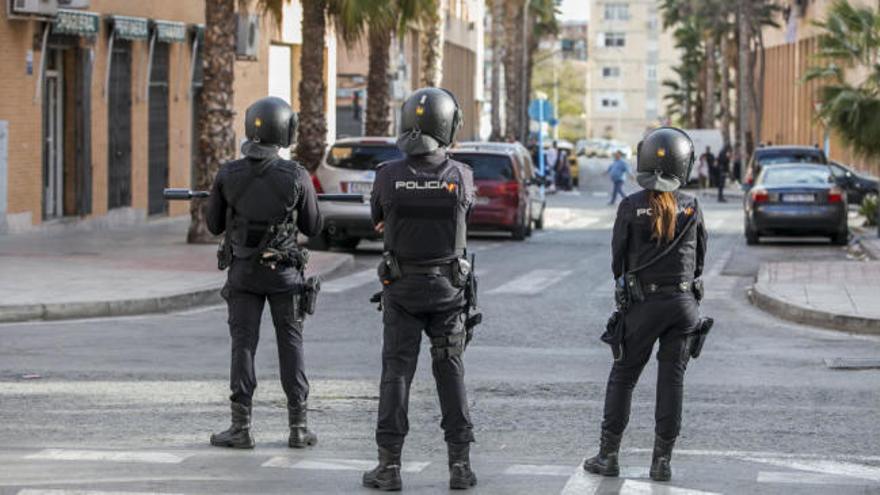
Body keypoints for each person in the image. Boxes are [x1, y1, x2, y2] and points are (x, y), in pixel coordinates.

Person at [364, 87, 478, 491]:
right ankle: (460, 466)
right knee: (451, 371)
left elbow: (376, 216)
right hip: (448, 289)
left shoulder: (387, 174)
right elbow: (467, 214)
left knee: (396, 373)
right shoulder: (461, 175)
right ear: (447, 126)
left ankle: (389, 467)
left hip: (403, 287)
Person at [583, 127, 707, 482]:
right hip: (683, 304)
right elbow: (699, 260)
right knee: (672, 381)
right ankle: (662, 462)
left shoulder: (631, 205)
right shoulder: (692, 205)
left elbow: (617, 261)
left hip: (643, 304)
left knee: (623, 377)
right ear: (684, 165)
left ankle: (608, 456)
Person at [206, 96, 323, 450]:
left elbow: (213, 225)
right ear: (286, 131)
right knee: (291, 344)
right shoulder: (296, 175)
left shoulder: (228, 174)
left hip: (243, 272)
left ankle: (240, 428)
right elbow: (313, 225)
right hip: (285, 274)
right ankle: (298, 428)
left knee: (243, 345)